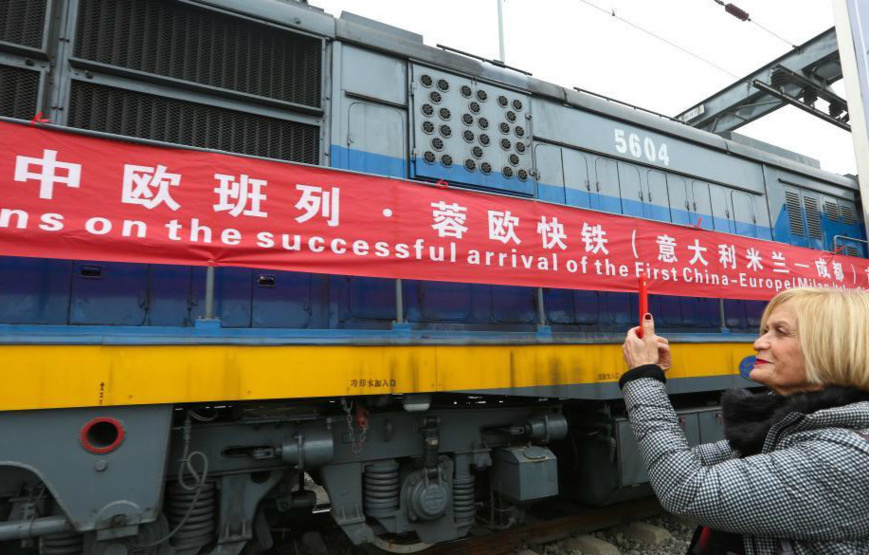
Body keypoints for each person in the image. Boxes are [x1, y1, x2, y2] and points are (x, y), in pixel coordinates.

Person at [620, 287, 869, 555]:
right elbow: (686, 462)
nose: (758, 343)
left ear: (834, 346)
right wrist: (653, 373)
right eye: (764, 331)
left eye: (780, 332)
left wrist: (644, 377)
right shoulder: (790, 427)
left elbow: (685, 489)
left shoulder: (847, 453)